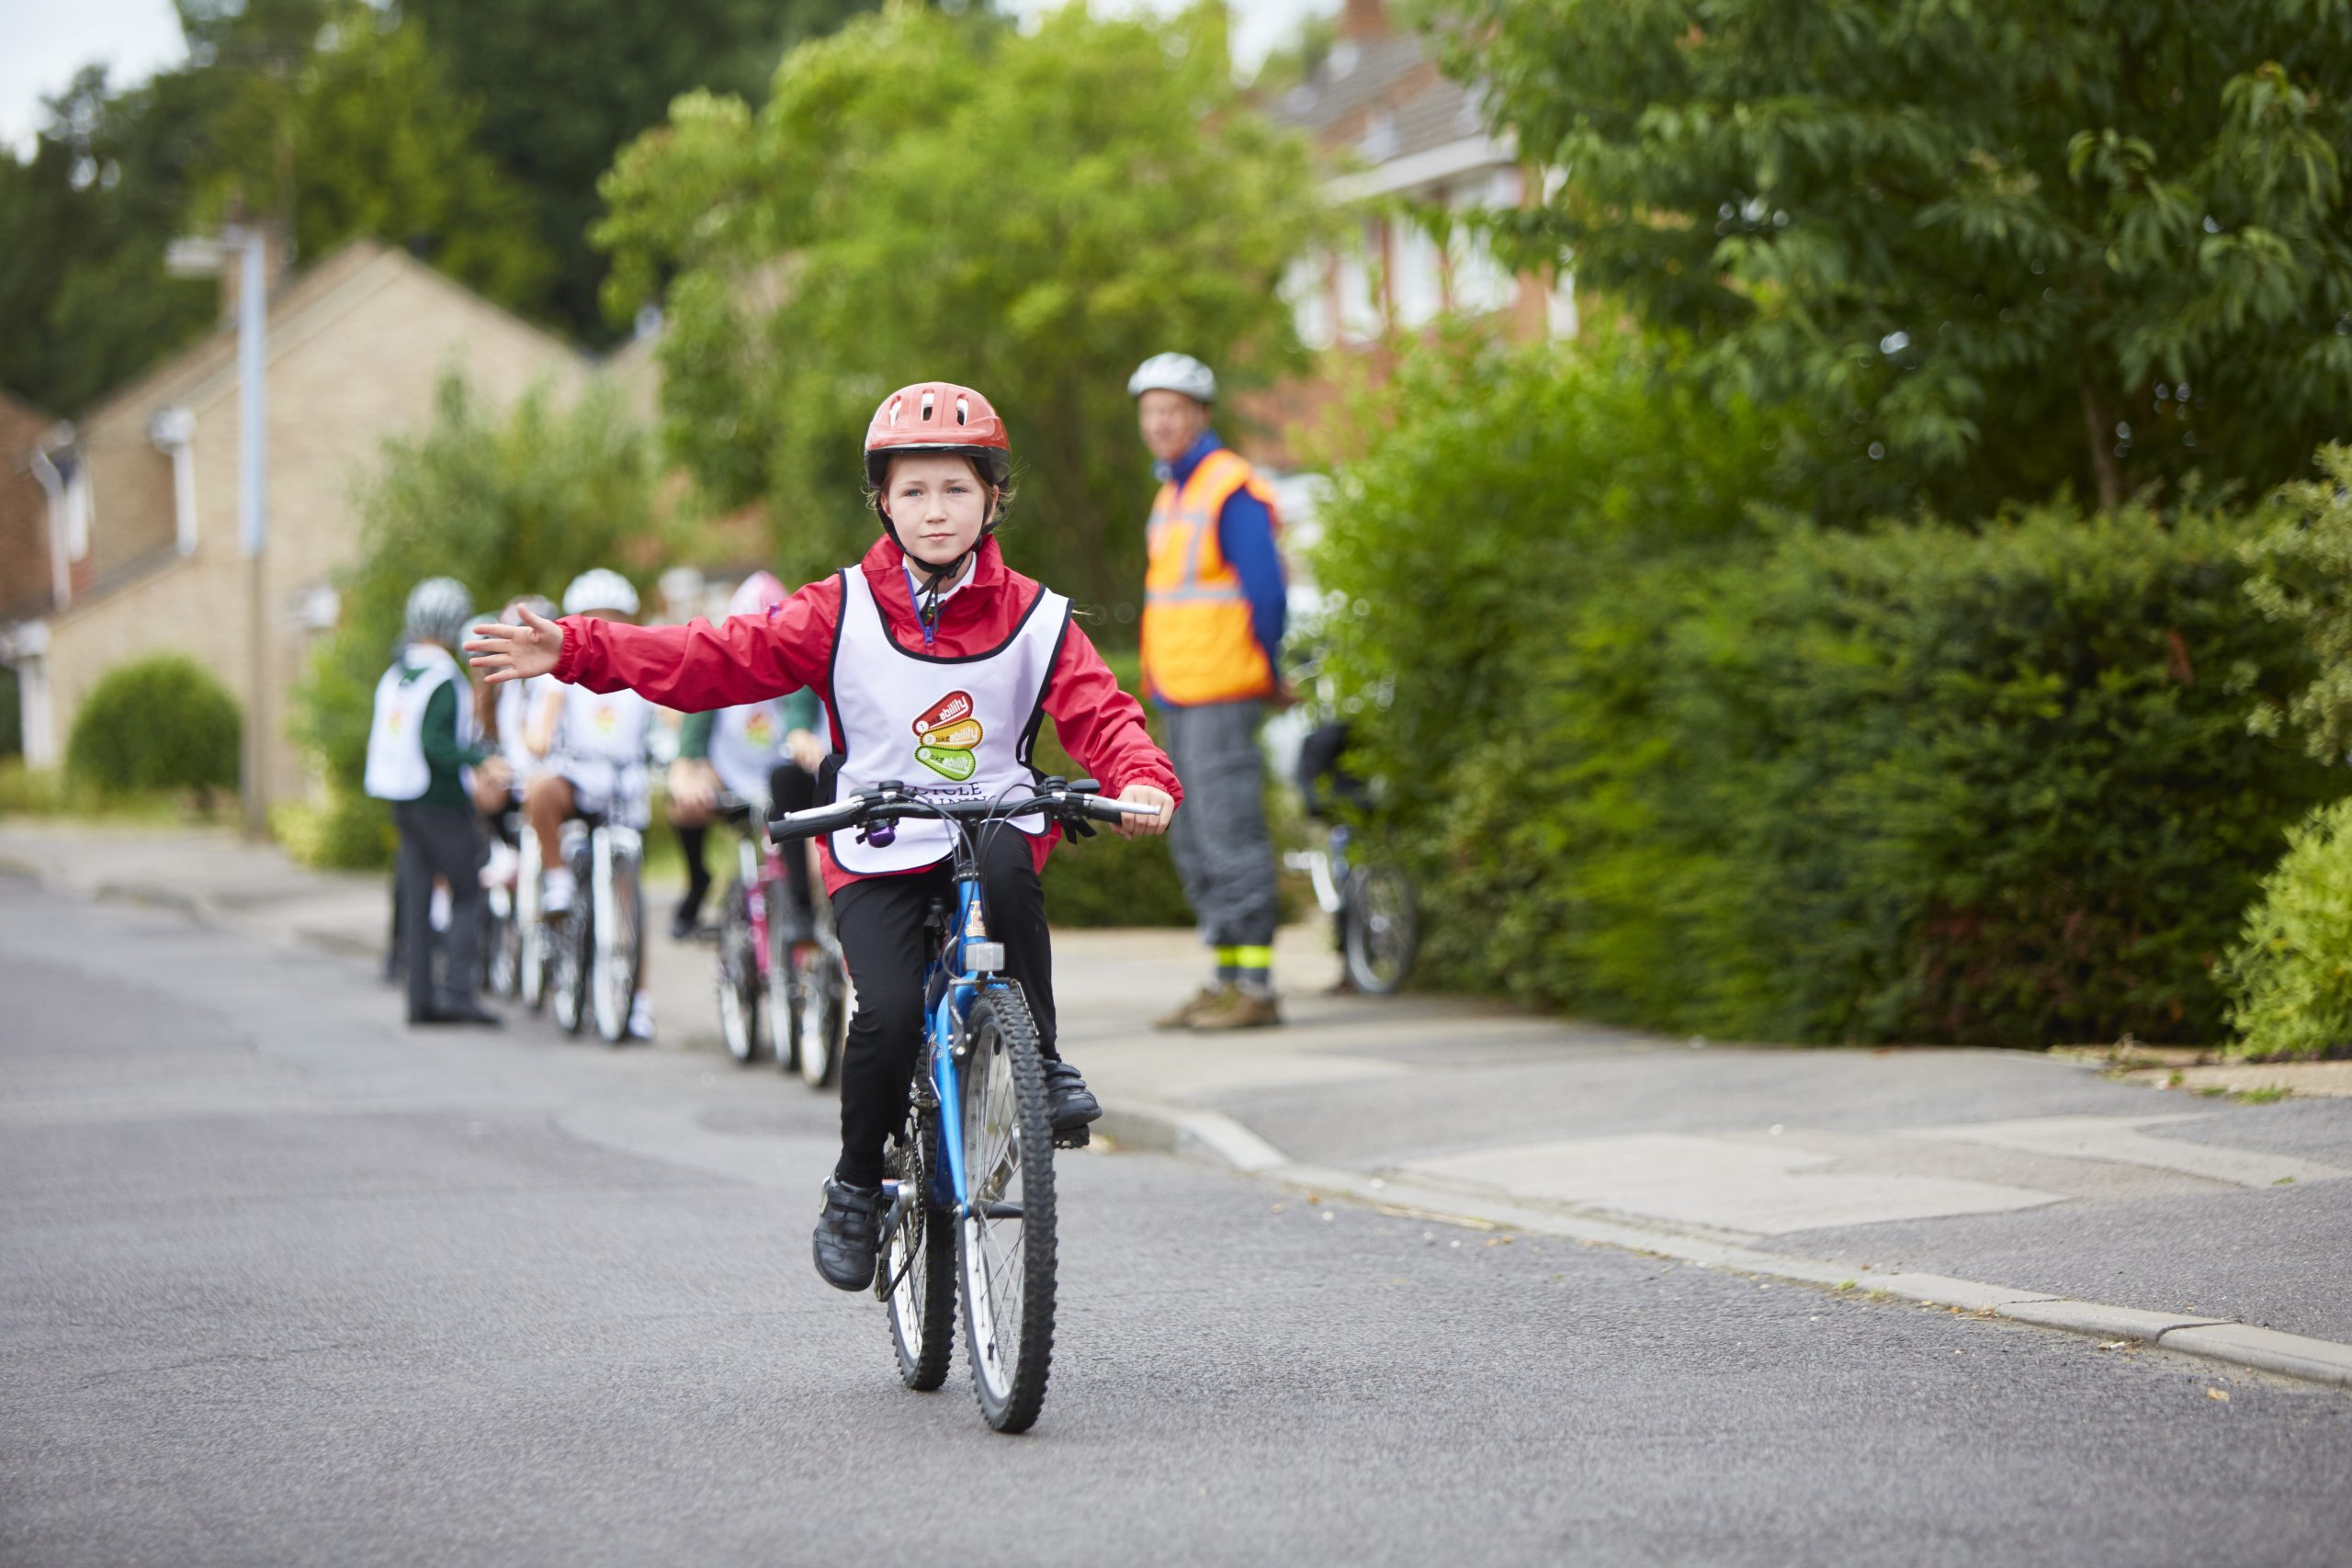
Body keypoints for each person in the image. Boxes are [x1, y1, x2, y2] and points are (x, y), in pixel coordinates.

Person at [469, 380, 1180, 1292]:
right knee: (883, 1013)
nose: (934, 511)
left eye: (955, 489)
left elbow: (1102, 713)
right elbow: (708, 659)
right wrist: (574, 649)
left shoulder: (1038, 617)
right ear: (882, 500)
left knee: (1007, 858)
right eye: (913, 491)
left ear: (993, 498)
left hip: (989, 823)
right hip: (876, 839)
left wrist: (1141, 780)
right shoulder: (838, 608)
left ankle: (1037, 1054)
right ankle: (856, 1187)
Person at [1129, 352, 1288, 1030]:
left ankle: (1254, 985)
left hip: (1223, 688)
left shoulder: (1229, 488)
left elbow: (1268, 593)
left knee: (1230, 835)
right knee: (1193, 838)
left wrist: (1271, 669)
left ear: (1200, 415)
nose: (1160, 423)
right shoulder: (1173, 493)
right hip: (1181, 691)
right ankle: (1225, 977)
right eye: (1150, 412)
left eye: (1172, 410)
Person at [365, 576, 507, 1027]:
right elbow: (437, 746)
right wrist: (481, 761)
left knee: (418, 892)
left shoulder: (398, 673)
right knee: (467, 890)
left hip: (399, 798)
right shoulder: (443, 677)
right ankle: (458, 992)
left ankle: (419, 997)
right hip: (438, 799)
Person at [666, 570, 830, 941]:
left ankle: (806, 918)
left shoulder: (801, 668)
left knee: (814, 857)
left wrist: (801, 736)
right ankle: (697, 883)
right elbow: (690, 743)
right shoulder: (715, 672)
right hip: (734, 784)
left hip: (787, 789)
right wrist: (685, 773)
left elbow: (800, 718)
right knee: (682, 803)